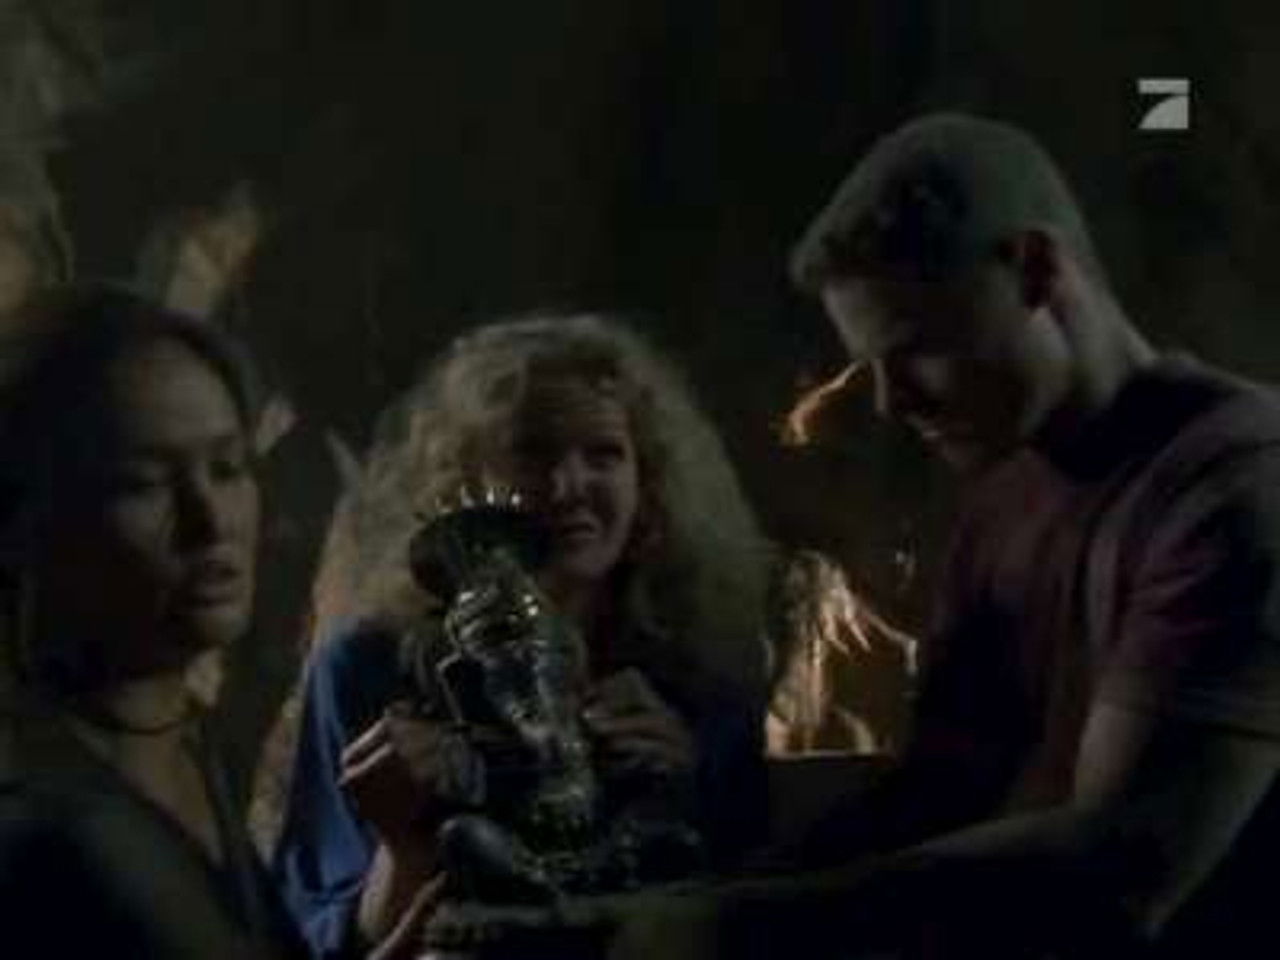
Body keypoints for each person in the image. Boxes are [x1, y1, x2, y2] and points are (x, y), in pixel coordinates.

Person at [602, 113, 1280, 959]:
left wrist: (727, 926)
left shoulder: (1240, 483)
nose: (891, 402)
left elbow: (1128, 866)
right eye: (872, 367)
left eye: (918, 349)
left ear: (1034, 270)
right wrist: (710, 895)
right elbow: (937, 793)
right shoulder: (1003, 497)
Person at [274, 313, 772, 958]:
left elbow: (761, 910)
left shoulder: (697, 677)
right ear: (464, 477)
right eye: (533, 452)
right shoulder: (368, 667)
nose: (568, 487)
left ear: (647, 480)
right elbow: (312, 937)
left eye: (603, 454)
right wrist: (404, 844)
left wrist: (690, 788)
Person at [0, 285, 307, 957]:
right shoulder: (36, 817)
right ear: (23, 520)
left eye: (227, 467)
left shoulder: (189, 741)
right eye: (142, 483)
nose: (210, 520)